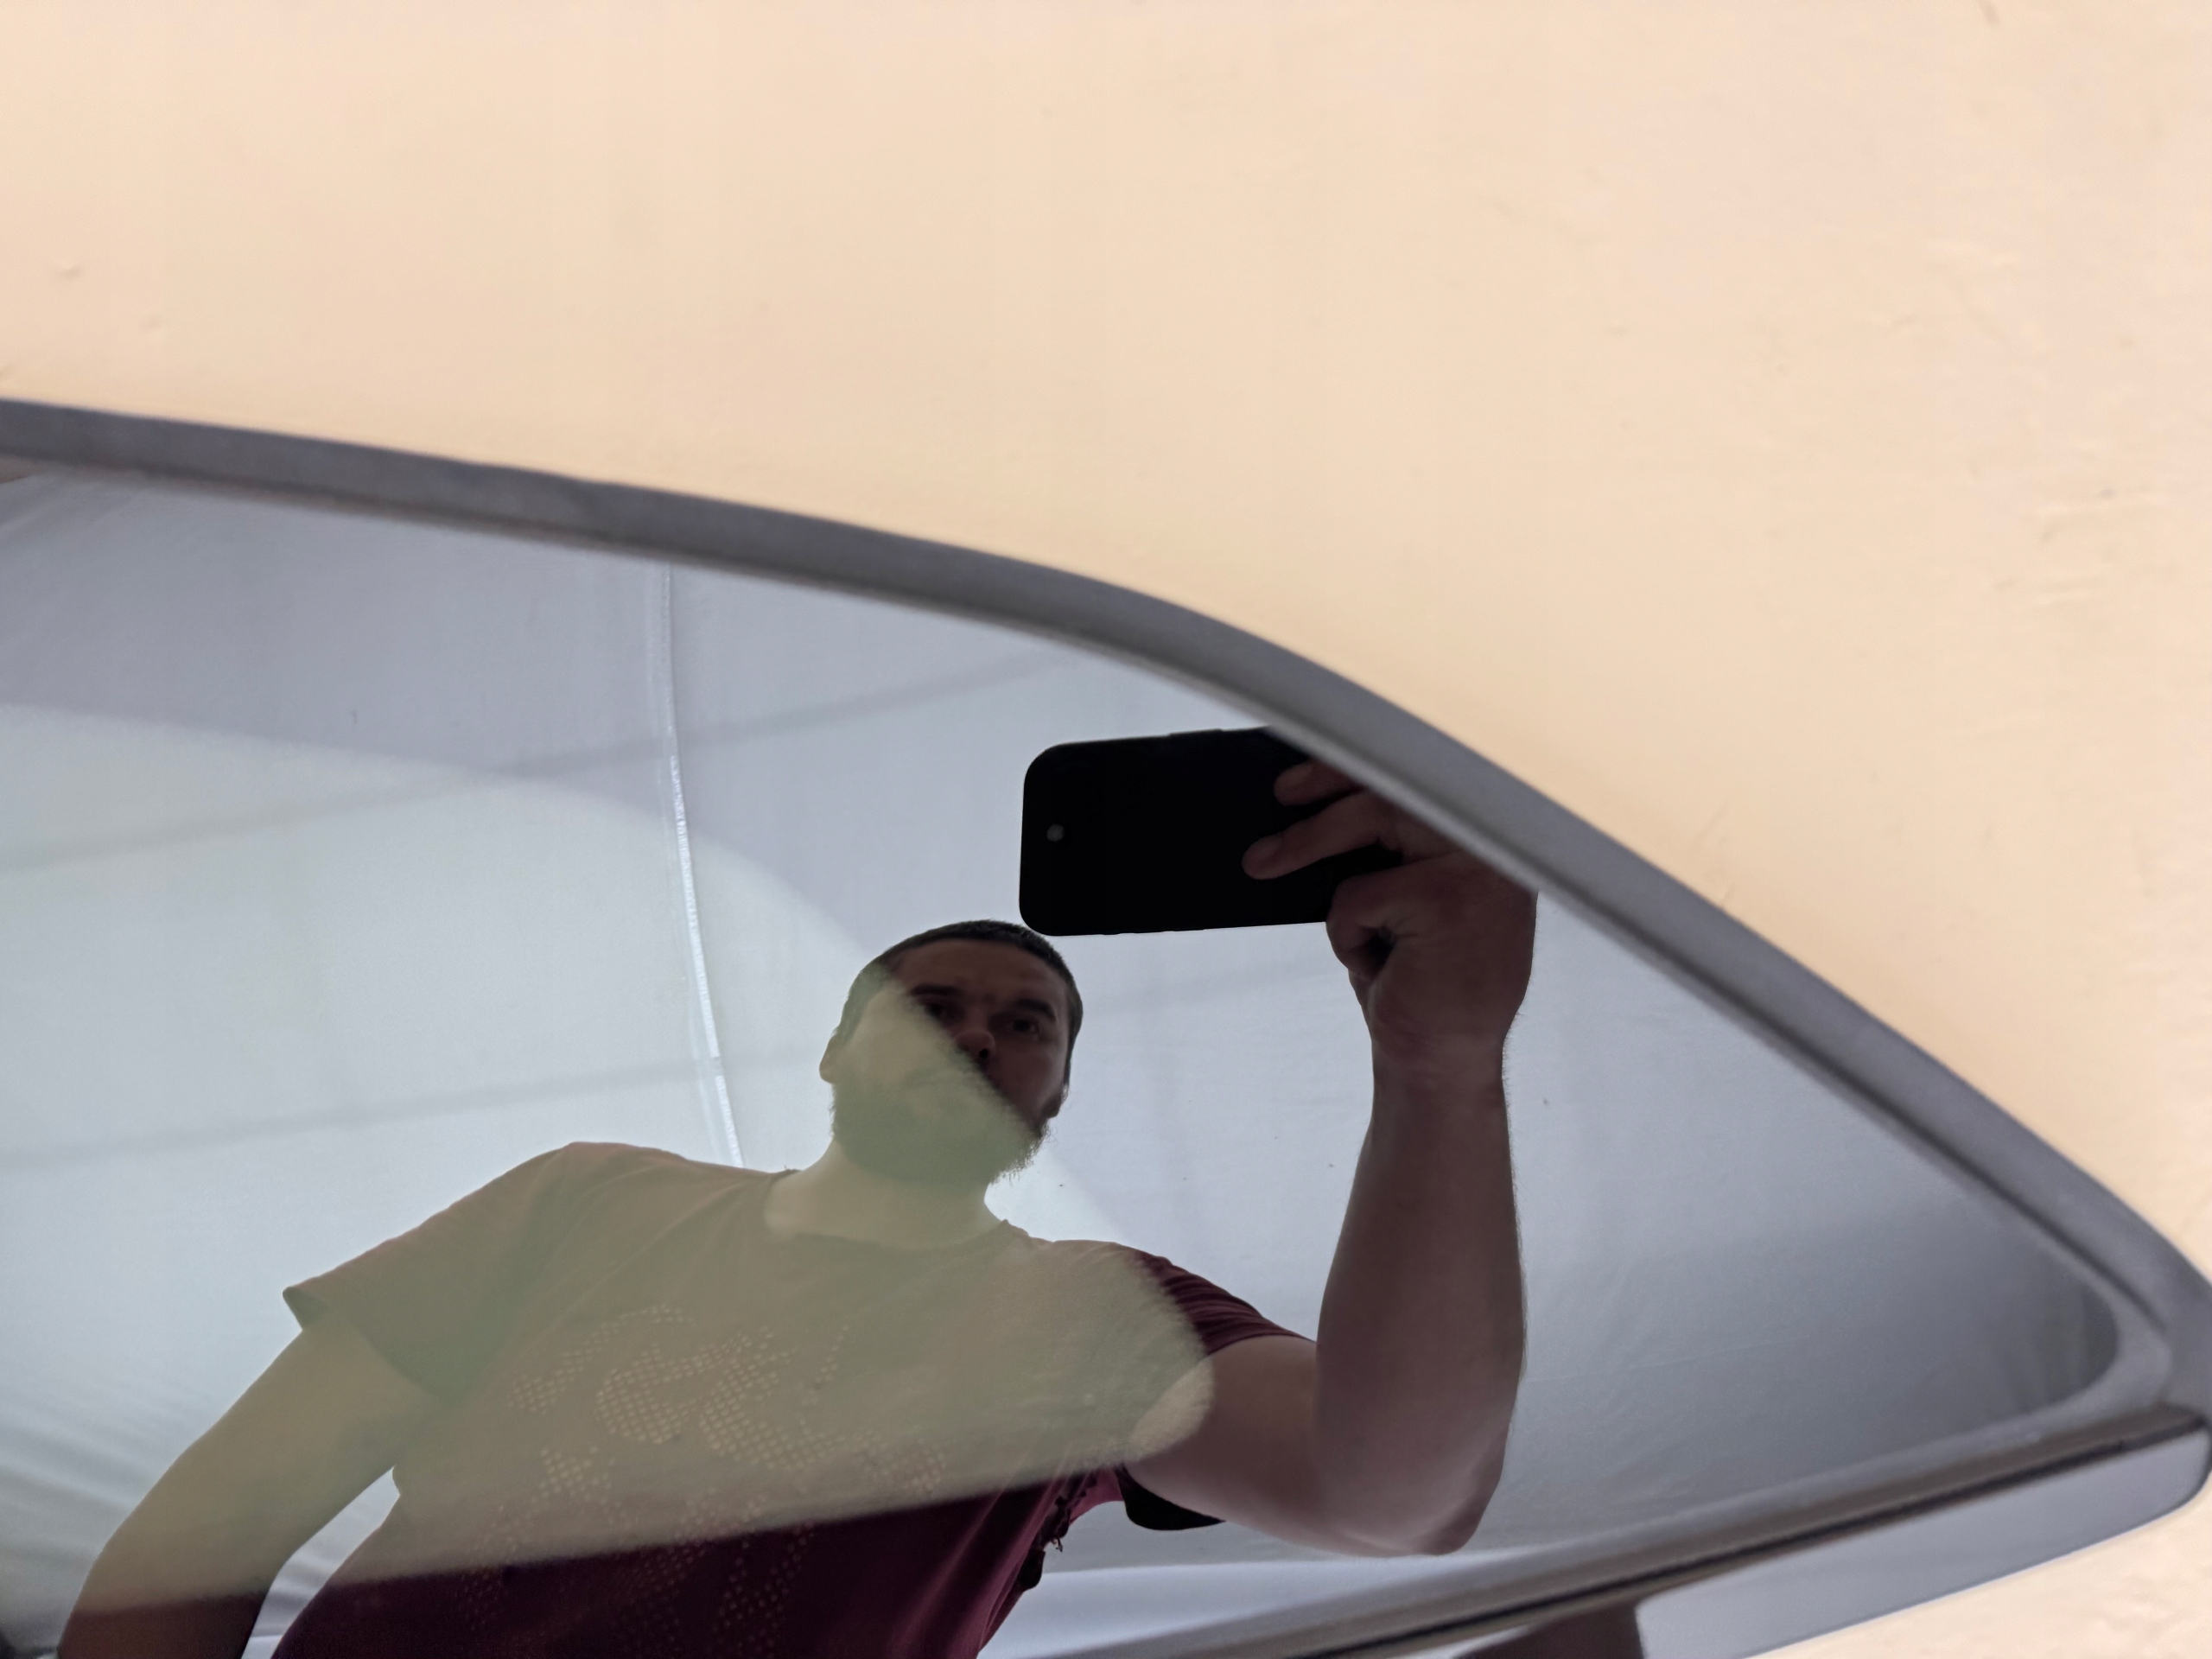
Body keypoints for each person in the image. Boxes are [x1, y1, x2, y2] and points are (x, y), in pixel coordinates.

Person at [58, 760, 1535, 1659]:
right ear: (836, 1051)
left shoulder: (1098, 1322)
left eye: (1023, 1024)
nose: (973, 1037)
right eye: (928, 1007)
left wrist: (1442, 1063)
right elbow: (220, 1522)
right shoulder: (588, 1202)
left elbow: (1394, 1498)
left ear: (1056, 1096)